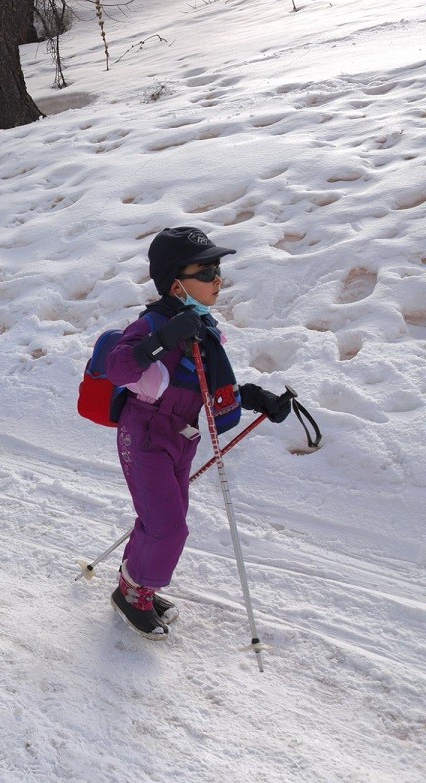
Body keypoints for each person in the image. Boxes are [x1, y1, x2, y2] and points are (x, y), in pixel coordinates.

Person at [105, 226, 292, 640]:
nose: (217, 280)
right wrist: (163, 338)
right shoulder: (156, 323)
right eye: (205, 273)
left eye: (218, 270)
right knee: (168, 527)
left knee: (161, 520)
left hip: (181, 438)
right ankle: (131, 594)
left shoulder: (203, 328)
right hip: (147, 437)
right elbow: (117, 368)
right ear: (176, 284)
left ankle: (135, 584)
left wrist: (255, 398)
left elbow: (204, 385)